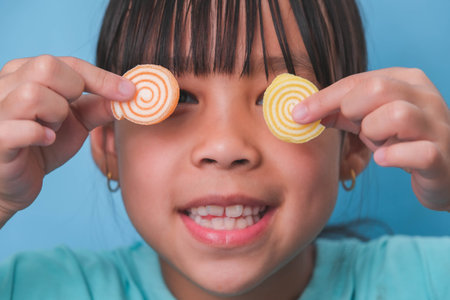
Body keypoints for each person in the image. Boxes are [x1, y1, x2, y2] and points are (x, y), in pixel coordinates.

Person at [0, 0, 449, 299]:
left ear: (351, 145)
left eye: (274, 97)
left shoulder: (427, 280)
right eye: (179, 100)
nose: (225, 147)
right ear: (108, 146)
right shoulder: (33, 288)